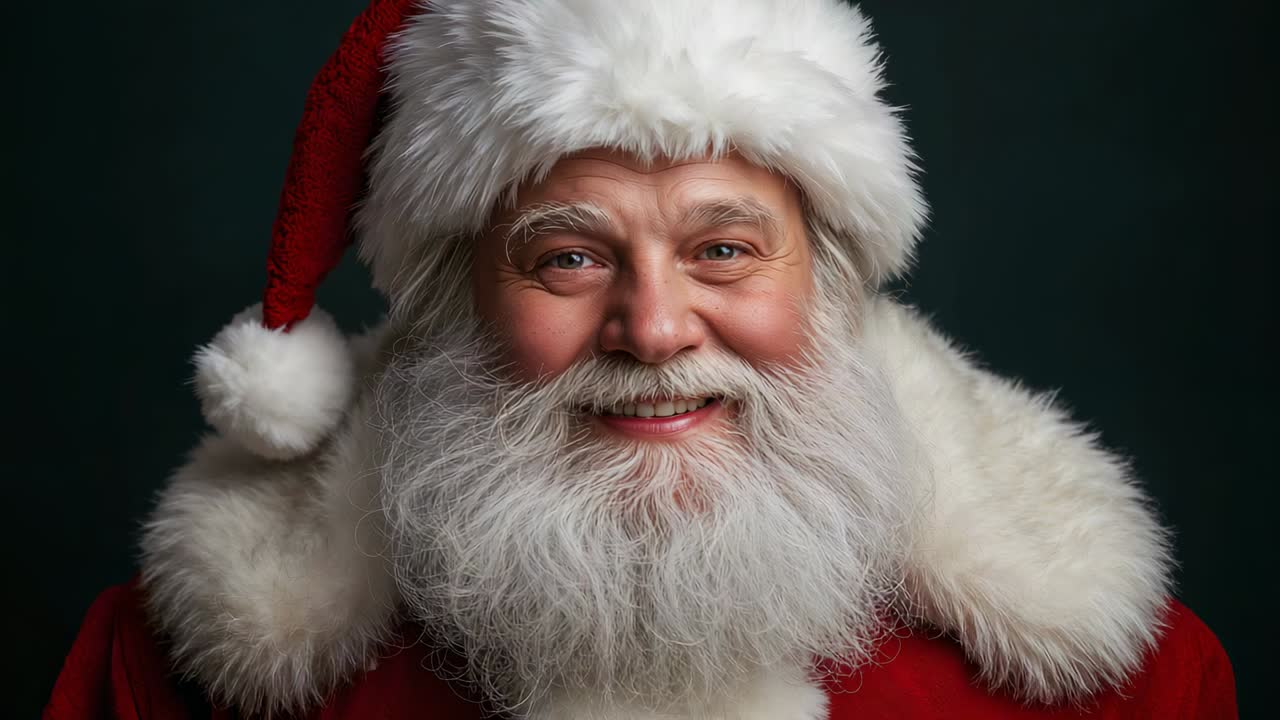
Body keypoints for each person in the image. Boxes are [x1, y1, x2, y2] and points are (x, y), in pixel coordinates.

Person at [45, 0, 1236, 718]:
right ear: (457, 298)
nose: (654, 329)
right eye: (566, 259)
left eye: (723, 249)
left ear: (825, 279)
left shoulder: (1129, 688)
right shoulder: (178, 677)